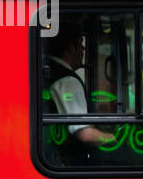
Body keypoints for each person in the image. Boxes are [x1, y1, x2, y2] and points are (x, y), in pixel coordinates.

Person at [43, 23, 114, 163]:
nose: (83, 49)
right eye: (81, 44)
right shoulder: (68, 81)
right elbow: (85, 134)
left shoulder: (49, 71)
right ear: (70, 48)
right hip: (65, 162)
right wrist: (116, 139)